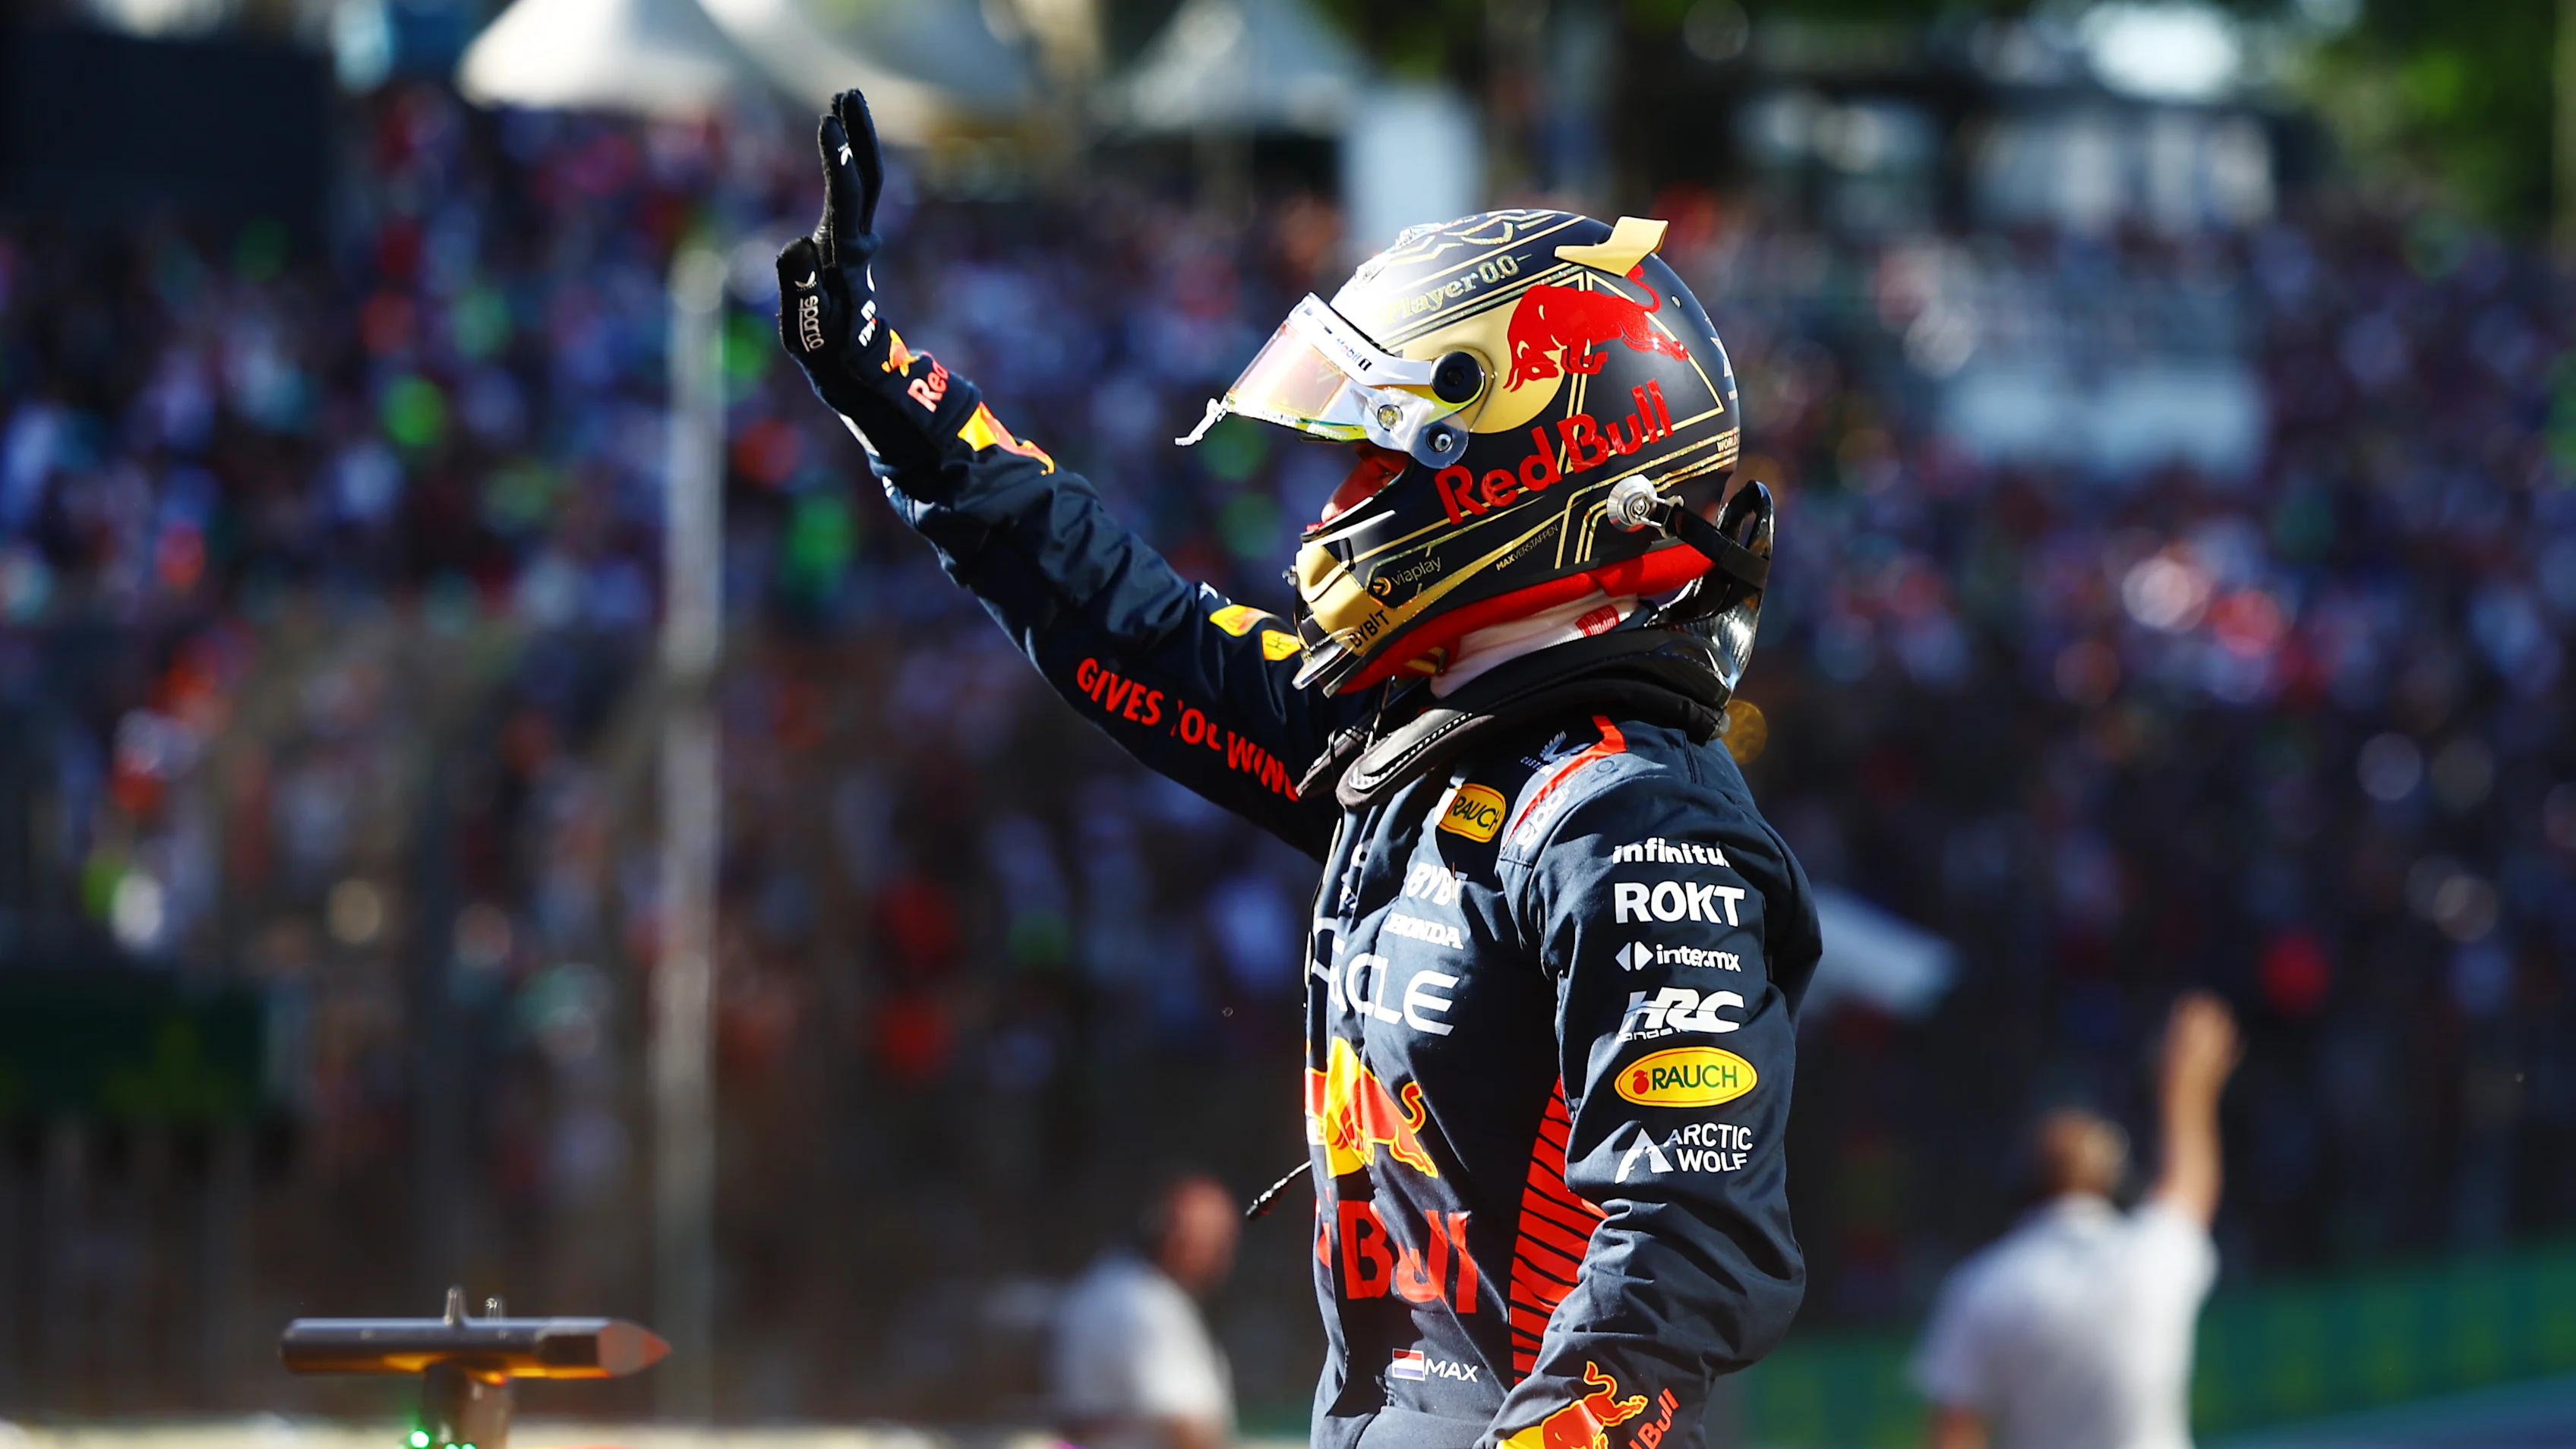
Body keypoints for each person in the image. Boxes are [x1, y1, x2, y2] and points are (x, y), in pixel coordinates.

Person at [777, 91, 1819, 1449]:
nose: (1334, 506)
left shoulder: (1627, 816)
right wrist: (890, 391)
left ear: (1536, 469)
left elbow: (1694, 1230)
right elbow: (1128, 622)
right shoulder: (1420, 752)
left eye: (1385, 457)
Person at [1913, 991, 2245, 1449]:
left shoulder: (1980, 1287)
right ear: (2116, 1182)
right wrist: (2186, 1090)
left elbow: (1953, 1436)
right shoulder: (2152, 1257)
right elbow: (2190, 1182)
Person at [1052, 1174, 1243, 1449]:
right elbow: (1188, 1427)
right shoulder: (1145, 1307)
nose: (1223, 1255)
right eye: (1214, 1239)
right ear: (1169, 1234)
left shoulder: (1104, 1283)